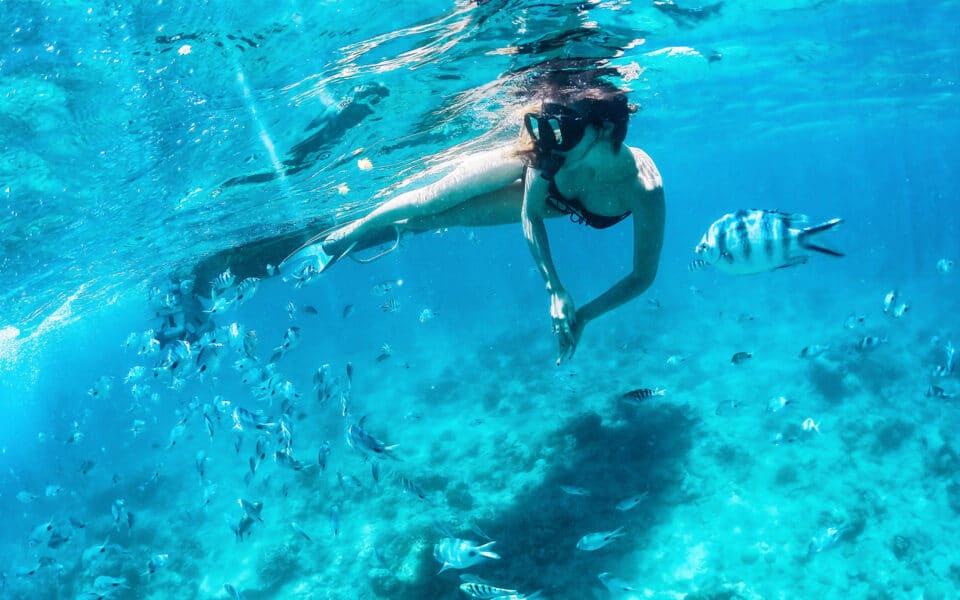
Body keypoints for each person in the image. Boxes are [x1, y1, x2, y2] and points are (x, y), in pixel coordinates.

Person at [285, 75, 666, 363]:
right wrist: (555, 288)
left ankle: (389, 233)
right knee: (432, 199)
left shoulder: (643, 189)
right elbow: (530, 213)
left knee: (442, 219)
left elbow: (642, 277)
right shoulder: (551, 152)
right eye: (549, 130)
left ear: (605, 129)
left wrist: (583, 315)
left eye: (564, 133)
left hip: (560, 204)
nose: (550, 142)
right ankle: (341, 238)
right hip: (532, 182)